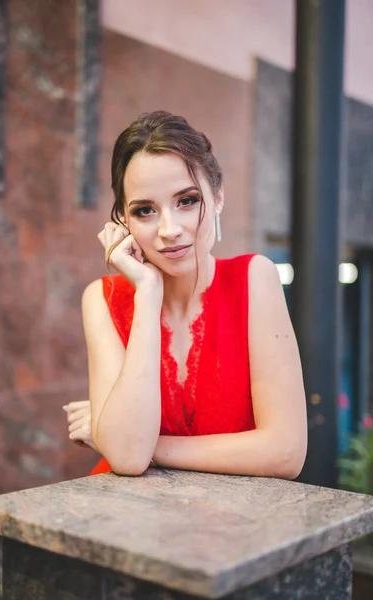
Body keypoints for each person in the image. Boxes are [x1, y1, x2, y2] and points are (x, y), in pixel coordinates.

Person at [63, 111, 307, 478]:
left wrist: (136, 441)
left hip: (233, 525)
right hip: (125, 521)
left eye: (187, 201)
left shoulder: (254, 278)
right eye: (144, 210)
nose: (169, 229)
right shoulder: (102, 299)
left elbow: (285, 453)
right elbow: (128, 459)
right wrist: (147, 292)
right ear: (122, 221)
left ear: (218, 196)